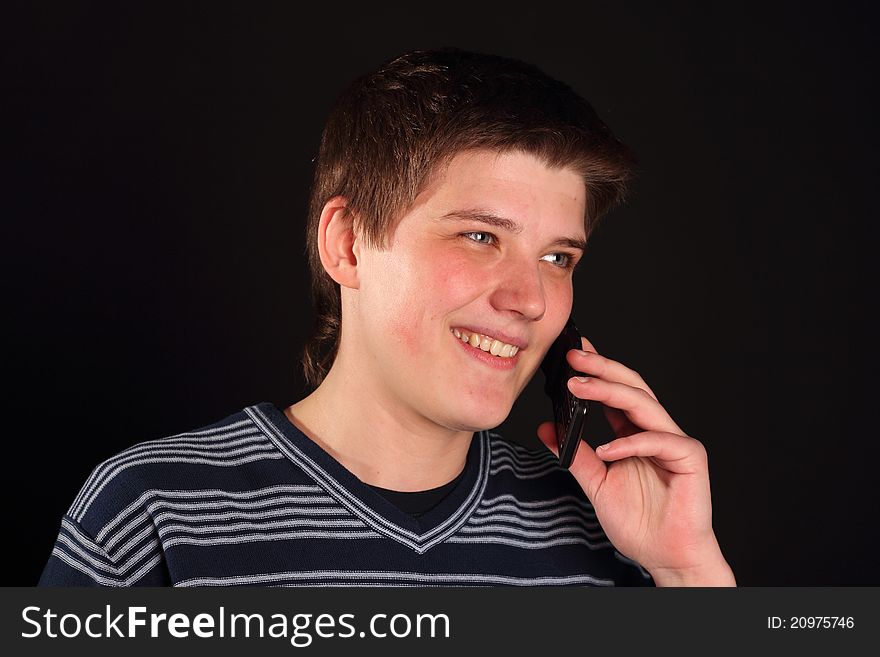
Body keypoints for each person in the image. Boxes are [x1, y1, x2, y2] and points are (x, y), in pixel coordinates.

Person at [39, 47, 736, 587]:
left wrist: (686, 570)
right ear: (346, 243)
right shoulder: (152, 511)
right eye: (481, 236)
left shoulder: (605, 531)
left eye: (558, 257)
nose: (529, 298)